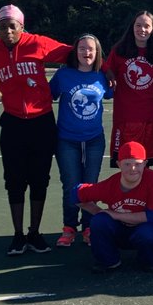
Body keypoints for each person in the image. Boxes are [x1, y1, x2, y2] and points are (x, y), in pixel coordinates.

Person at [0, 4, 72, 256]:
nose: (7, 31)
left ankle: (34, 232)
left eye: (12, 26)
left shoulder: (37, 43)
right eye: (1, 27)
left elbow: (77, 52)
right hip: (13, 123)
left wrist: (108, 68)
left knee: (39, 179)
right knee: (14, 180)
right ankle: (17, 235)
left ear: (22, 27)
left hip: (42, 122)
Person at [49, 34, 111, 247]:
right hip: (67, 139)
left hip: (94, 139)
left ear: (97, 53)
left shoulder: (102, 77)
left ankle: (89, 227)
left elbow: (115, 91)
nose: (87, 53)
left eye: (91, 49)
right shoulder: (64, 75)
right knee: (71, 184)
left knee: (90, 185)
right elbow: (48, 95)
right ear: (75, 51)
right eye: (82, 48)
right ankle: (69, 227)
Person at [74, 141, 153, 273]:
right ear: (118, 164)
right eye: (127, 164)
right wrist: (99, 211)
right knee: (99, 221)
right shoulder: (110, 184)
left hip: (143, 228)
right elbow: (75, 194)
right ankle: (109, 260)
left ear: (145, 164)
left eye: (137, 164)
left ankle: (147, 259)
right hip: (119, 229)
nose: (132, 169)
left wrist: (114, 214)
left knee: (148, 233)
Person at [105, 11, 153, 168]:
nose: (142, 30)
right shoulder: (119, 51)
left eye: (147, 26)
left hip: (149, 120)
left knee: (144, 166)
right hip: (124, 119)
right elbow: (106, 72)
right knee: (125, 166)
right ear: (132, 27)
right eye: (138, 25)